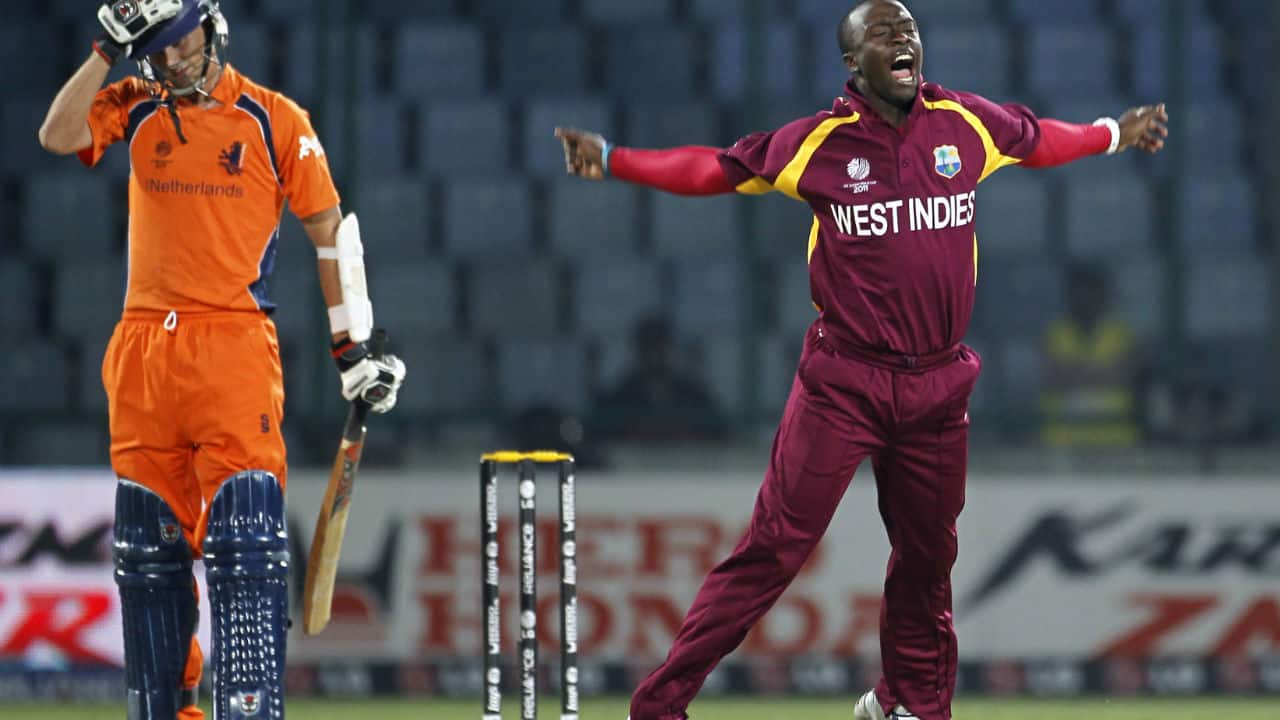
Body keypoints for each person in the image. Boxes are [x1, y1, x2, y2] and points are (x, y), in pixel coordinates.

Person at [555, 1, 1167, 718]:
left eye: (908, 29)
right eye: (882, 33)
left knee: (928, 561)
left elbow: (1041, 142)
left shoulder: (964, 124)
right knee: (774, 550)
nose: (903, 39)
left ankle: (909, 704)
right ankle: (658, 706)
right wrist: (616, 159)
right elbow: (715, 170)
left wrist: (1112, 134)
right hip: (844, 383)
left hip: (939, 384)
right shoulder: (818, 144)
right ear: (853, 64)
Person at [37, 1, 405, 718]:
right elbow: (56, 135)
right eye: (160, 50)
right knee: (149, 560)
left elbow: (328, 226)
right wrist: (107, 50)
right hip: (143, 348)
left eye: (186, 43)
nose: (176, 60)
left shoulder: (274, 119)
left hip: (232, 346)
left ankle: (249, 708)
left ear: (213, 29)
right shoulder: (135, 103)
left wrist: (351, 345)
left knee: (246, 547)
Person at [1041, 262, 1142, 447]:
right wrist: (1102, 371)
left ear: (1102, 295)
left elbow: (1123, 377)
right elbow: (1054, 378)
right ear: (1071, 296)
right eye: (1080, 292)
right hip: (1063, 436)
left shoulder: (1121, 333)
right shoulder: (1056, 333)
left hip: (1114, 435)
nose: (1086, 299)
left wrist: (1074, 371)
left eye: (1092, 292)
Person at [592, 315, 727, 443]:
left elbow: (720, 435)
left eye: (660, 348)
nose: (655, 356)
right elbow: (603, 437)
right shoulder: (620, 399)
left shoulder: (693, 397)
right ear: (638, 351)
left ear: (672, 350)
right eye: (648, 348)